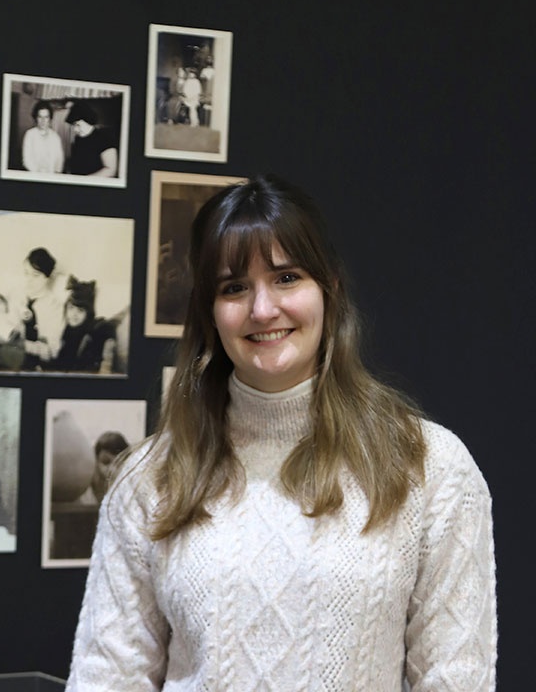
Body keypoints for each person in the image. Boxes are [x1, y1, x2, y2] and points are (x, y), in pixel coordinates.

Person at [66, 175, 496, 690]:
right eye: (234, 287)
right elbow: (107, 678)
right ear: (210, 312)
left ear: (328, 289)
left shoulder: (430, 467)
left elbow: (456, 678)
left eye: (287, 278)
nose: (263, 309)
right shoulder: (148, 479)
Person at [52, 277, 121, 374]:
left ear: (88, 313)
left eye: (80, 311)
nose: (74, 314)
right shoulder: (66, 330)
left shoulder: (96, 331)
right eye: (71, 308)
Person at [17, 247, 70, 370]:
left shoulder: (54, 306)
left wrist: (20, 344)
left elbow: (51, 352)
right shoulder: (18, 297)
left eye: (35, 275)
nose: (28, 280)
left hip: (36, 365)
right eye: (26, 273)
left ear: (47, 278)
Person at [65, 100, 118, 177]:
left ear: (88, 120)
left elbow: (110, 170)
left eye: (77, 125)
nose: (75, 130)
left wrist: (84, 181)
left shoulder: (104, 138)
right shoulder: (78, 139)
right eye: (73, 126)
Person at [76, 431, 129, 506]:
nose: (111, 469)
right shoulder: (84, 492)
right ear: (96, 462)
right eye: (106, 462)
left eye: (118, 464)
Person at [21, 100, 64, 174]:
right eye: (40, 117)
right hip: (34, 175)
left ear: (50, 119)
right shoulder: (30, 134)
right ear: (36, 118)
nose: (43, 120)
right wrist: (38, 172)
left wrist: (56, 173)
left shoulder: (55, 137)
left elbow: (59, 160)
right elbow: (26, 160)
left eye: (46, 117)